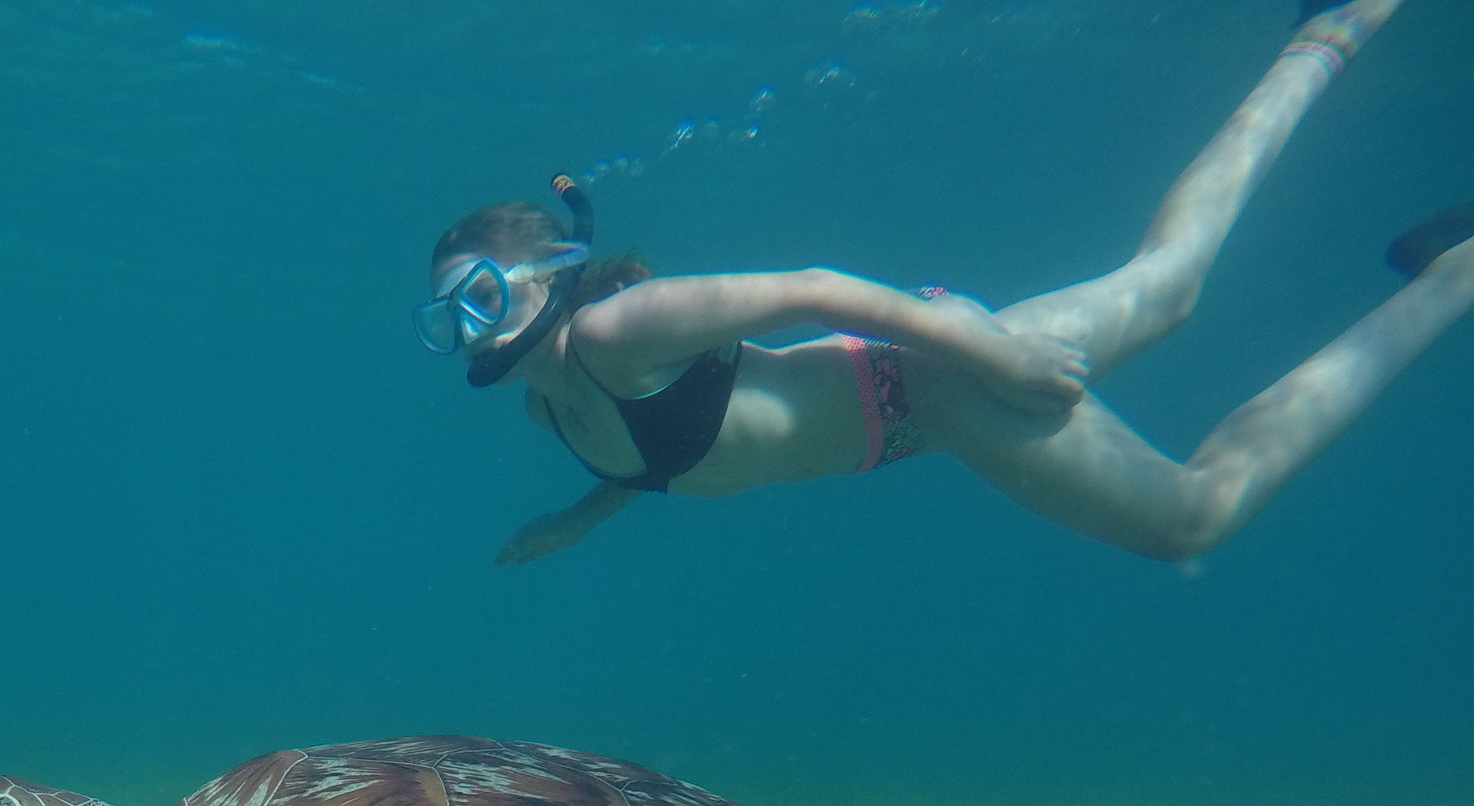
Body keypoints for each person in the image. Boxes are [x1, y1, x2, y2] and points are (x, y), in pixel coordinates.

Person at [417, 0, 1471, 564]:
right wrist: (574, 522)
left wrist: (988, 350)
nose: (467, 334)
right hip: (931, 384)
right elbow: (646, 454)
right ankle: (1322, 38)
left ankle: (1456, 272)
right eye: (445, 319)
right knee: (1172, 283)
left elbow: (813, 285)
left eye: (478, 297)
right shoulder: (557, 410)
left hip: (938, 382)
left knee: (1189, 517)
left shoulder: (617, 331)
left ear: (547, 272)